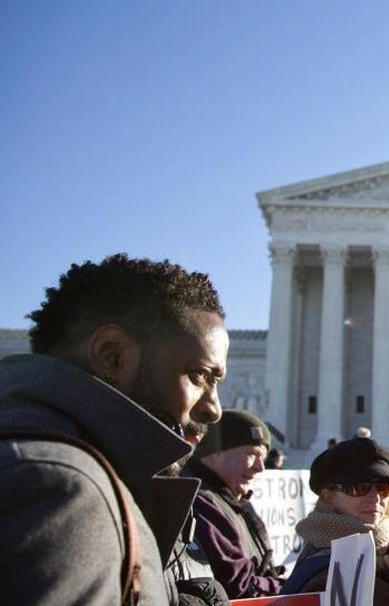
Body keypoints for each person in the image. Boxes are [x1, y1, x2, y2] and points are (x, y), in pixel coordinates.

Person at [0, 254, 228, 605]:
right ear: (112, 356)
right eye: (200, 375)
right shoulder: (59, 489)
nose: (213, 410)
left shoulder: (86, 477)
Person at [281, 437, 389, 605]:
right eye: (360, 487)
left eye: (384, 488)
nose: (376, 497)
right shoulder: (329, 575)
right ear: (328, 495)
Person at [185, 409, 282, 599]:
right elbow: (238, 584)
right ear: (214, 453)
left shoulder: (232, 500)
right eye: (252, 454)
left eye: (263, 457)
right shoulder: (200, 502)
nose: (260, 467)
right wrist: (286, 588)